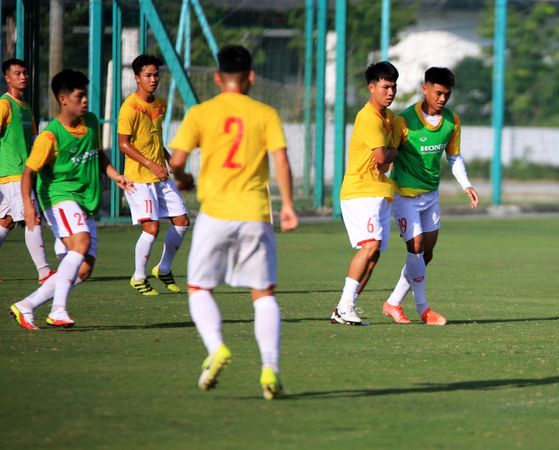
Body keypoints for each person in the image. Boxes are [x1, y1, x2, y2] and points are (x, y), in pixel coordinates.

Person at [168, 45, 298, 400]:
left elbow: (176, 161)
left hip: (215, 214)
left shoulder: (200, 113)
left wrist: (182, 179)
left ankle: (216, 348)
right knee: (263, 294)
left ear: (216, 78)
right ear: (251, 77)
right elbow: (282, 160)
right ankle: (269, 369)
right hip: (255, 214)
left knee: (198, 288)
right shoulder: (265, 113)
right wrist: (287, 205)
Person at [8, 69, 133, 330]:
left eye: (86, 95)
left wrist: (115, 175)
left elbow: (98, 155)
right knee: (81, 242)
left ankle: (27, 305)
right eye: (80, 96)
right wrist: (29, 206)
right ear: (63, 99)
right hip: (57, 196)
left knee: (84, 269)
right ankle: (58, 310)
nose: (85, 100)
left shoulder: (91, 122)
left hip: (83, 199)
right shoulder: (50, 136)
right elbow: (29, 172)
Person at [382, 67, 478, 326]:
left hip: (431, 196)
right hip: (405, 196)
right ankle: (424, 309)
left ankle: (392, 302)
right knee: (415, 248)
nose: (443, 99)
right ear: (425, 88)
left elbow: (454, 157)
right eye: (438, 93)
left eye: (447, 94)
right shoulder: (404, 121)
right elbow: (387, 155)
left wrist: (466, 185)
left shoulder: (451, 121)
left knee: (426, 254)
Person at [330, 61, 399, 326]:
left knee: (375, 252)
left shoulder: (389, 117)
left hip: (380, 190)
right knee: (369, 245)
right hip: (360, 190)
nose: (390, 92)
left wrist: (391, 153)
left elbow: (387, 159)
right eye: (385, 86)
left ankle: (344, 308)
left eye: (393, 86)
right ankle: (345, 305)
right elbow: (384, 156)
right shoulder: (368, 117)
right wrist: (396, 151)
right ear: (371, 88)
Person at [119, 54, 190, 296]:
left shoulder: (159, 104)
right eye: (148, 75)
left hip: (160, 174)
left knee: (182, 221)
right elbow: (124, 144)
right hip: (139, 178)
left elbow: (156, 140)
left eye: (156, 74)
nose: (153, 79)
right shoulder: (129, 107)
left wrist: (171, 162)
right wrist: (152, 164)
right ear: (137, 78)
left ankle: (164, 268)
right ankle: (139, 276)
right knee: (151, 229)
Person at [0, 58, 53, 283]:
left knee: (7, 221)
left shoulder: (26, 107)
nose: (23, 77)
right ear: (7, 78)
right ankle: (44, 272)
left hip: (20, 173)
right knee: (33, 218)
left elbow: (32, 140)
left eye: (25, 73)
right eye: (18, 73)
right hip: (14, 174)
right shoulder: (4, 104)